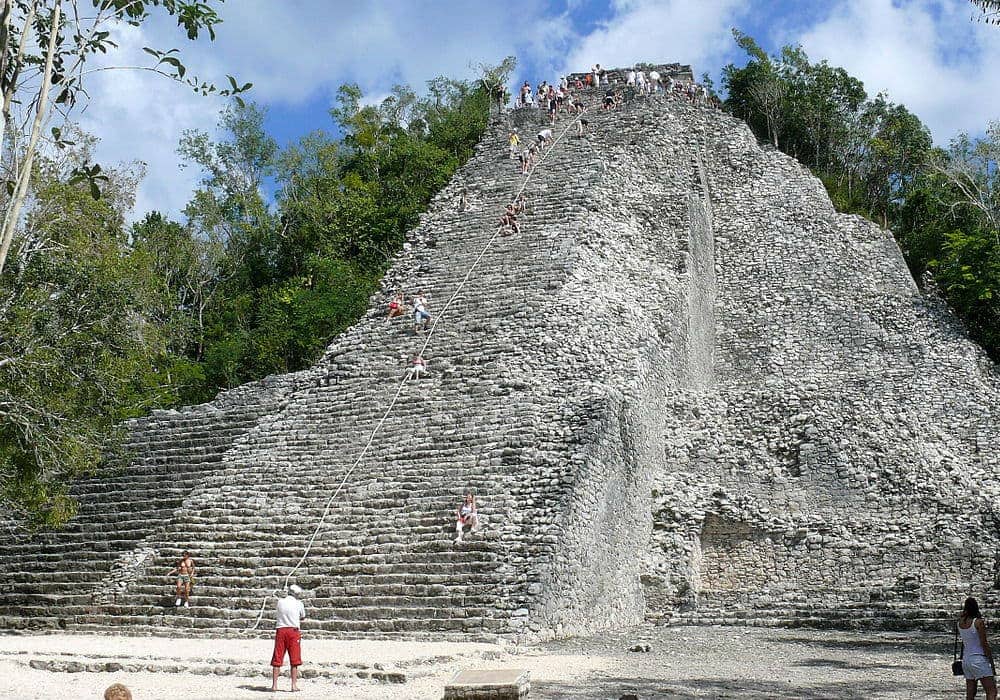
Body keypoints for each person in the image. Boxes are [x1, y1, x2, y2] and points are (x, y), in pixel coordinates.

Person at [960, 597, 997, 700]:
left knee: (970, 694)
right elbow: (984, 643)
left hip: (966, 660)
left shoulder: (960, 623)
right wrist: (991, 661)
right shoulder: (978, 622)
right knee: (991, 691)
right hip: (978, 659)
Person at [271, 584, 307, 693]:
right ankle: (293, 685)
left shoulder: (280, 602)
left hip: (281, 630)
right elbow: (303, 617)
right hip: (293, 631)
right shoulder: (299, 603)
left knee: (277, 657)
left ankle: (274, 685)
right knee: (294, 659)